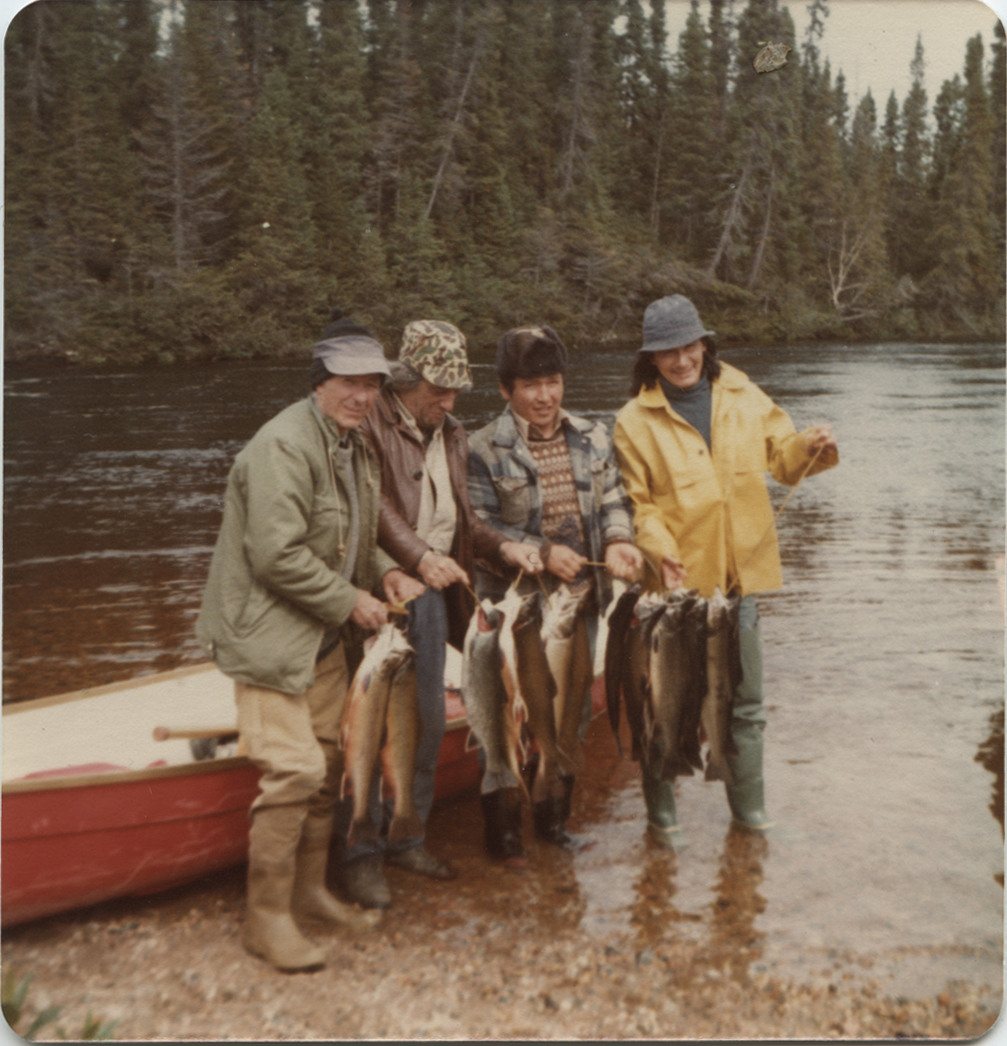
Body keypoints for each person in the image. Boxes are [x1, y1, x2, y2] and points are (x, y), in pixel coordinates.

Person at [195, 312, 420, 971]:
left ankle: (308, 893)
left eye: (372, 383)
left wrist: (388, 573)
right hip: (268, 640)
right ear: (319, 381)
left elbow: (352, 541)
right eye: (348, 381)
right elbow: (275, 556)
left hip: (321, 644)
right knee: (294, 770)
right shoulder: (281, 446)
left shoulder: (351, 446)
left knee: (325, 774)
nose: (361, 394)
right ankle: (263, 920)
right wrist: (351, 600)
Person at [612, 294, 839, 846]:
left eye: (689, 346)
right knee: (663, 707)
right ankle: (663, 817)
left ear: (705, 344)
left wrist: (814, 445)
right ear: (651, 358)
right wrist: (659, 550)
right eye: (668, 351)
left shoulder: (742, 391)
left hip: (740, 583)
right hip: (673, 588)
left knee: (747, 702)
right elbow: (638, 505)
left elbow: (784, 463)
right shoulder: (632, 421)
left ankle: (750, 813)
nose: (682, 359)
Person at [339, 318, 543, 908]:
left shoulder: (450, 432)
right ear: (406, 379)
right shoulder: (370, 423)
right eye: (438, 389)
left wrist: (503, 546)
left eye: (456, 389)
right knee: (371, 729)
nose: (449, 400)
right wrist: (418, 558)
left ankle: (407, 835)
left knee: (426, 725)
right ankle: (360, 854)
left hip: (435, 592)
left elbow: (463, 519)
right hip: (388, 592)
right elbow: (369, 508)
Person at [467, 325, 643, 860]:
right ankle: (501, 835)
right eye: (530, 385)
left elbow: (615, 499)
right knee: (504, 713)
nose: (544, 396)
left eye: (553, 381)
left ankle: (553, 821)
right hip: (517, 610)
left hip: (578, 605)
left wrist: (617, 540)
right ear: (505, 389)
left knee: (569, 716)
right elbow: (476, 526)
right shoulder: (480, 448)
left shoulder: (593, 434)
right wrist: (541, 552)